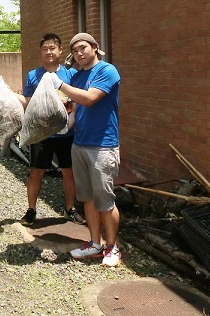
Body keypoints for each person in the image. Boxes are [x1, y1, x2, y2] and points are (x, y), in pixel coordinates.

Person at [48, 33, 121, 267]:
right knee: (88, 198)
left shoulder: (107, 71)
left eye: (83, 48)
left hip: (103, 145)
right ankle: (94, 243)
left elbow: (90, 99)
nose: (79, 53)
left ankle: (112, 247)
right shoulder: (78, 77)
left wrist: (60, 85)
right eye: (75, 51)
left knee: (105, 200)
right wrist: (62, 127)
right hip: (79, 144)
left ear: (95, 48)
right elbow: (74, 109)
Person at [17, 33, 85, 227]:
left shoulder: (71, 75)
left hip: (66, 132)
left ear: (60, 51)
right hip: (42, 133)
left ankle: (70, 209)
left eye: (52, 48)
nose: (48, 52)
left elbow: (77, 101)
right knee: (36, 172)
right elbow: (29, 102)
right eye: (45, 49)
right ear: (41, 52)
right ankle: (31, 210)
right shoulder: (33, 75)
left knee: (68, 171)